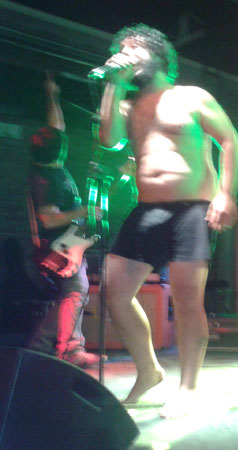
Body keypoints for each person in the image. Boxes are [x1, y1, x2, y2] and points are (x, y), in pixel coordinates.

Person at [98, 24, 238, 418]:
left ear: (156, 54)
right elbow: (108, 139)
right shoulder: (127, 106)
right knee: (114, 291)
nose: (123, 54)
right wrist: (114, 84)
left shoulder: (192, 97)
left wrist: (226, 193)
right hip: (146, 209)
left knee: (187, 300)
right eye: (119, 49)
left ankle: (189, 387)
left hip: (191, 209)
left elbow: (231, 139)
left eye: (131, 48)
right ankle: (149, 371)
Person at [28, 77, 101, 368]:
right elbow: (48, 218)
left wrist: (52, 96)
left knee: (73, 293)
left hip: (68, 242)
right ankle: (65, 349)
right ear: (59, 151)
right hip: (57, 247)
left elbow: (56, 127)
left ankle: (45, 347)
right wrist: (84, 210)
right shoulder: (45, 179)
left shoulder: (48, 163)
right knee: (74, 291)